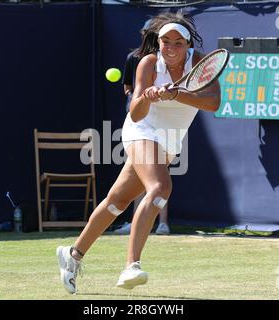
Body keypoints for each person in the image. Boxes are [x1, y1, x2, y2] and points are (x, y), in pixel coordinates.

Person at [56, 11, 221, 294]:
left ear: (188, 44)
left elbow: (213, 103)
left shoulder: (199, 63)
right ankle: (131, 264)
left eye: (177, 42)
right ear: (158, 42)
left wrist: (176, 94)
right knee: (160, 187)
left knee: (116, 201)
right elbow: (135, 112)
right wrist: (149, 96)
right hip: (141, 131)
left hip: (170, 140)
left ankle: (72, 256)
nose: (170, 48)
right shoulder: (148, 63)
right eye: (165, 41)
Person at [116, 18, 170, 236]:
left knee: (160, 178)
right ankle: (137, 220)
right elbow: (128, 88)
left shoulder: (167, 61)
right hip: (138, 126)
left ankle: (162, 223)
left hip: (163, 125)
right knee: (143, 176)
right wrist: (139, 99)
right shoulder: (134, 59)